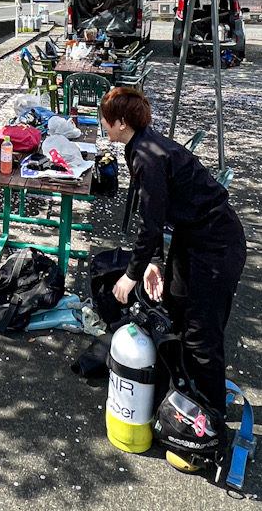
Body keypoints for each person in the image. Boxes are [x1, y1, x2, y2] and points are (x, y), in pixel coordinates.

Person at [100, 86, 246, 420]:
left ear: (120, 123)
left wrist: (131, 274)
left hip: (217, 244)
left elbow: (150, 224)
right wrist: (152, 262)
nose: (103, 126)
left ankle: (210, 419)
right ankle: (183, 395)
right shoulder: (140, 144)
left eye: (105, 121)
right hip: (189, 236)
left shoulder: (148, 155)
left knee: (201, 335)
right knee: (175, 312)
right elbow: (156, 209)